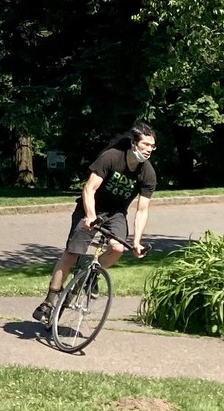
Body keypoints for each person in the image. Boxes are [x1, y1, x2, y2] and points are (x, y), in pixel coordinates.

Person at [34, 121, 157, 324]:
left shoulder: (147, 173)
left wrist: (137, 242)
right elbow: (89, 189)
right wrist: (90, 216)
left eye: (152, 146)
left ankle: (92, 276)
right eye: (145, 144)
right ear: (134, 143)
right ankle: (49, 301)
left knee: (118, 248)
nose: (149, 149)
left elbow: (142, 210)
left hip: (116, 213)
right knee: (72, 253)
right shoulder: (111, 157)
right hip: (89, 208)